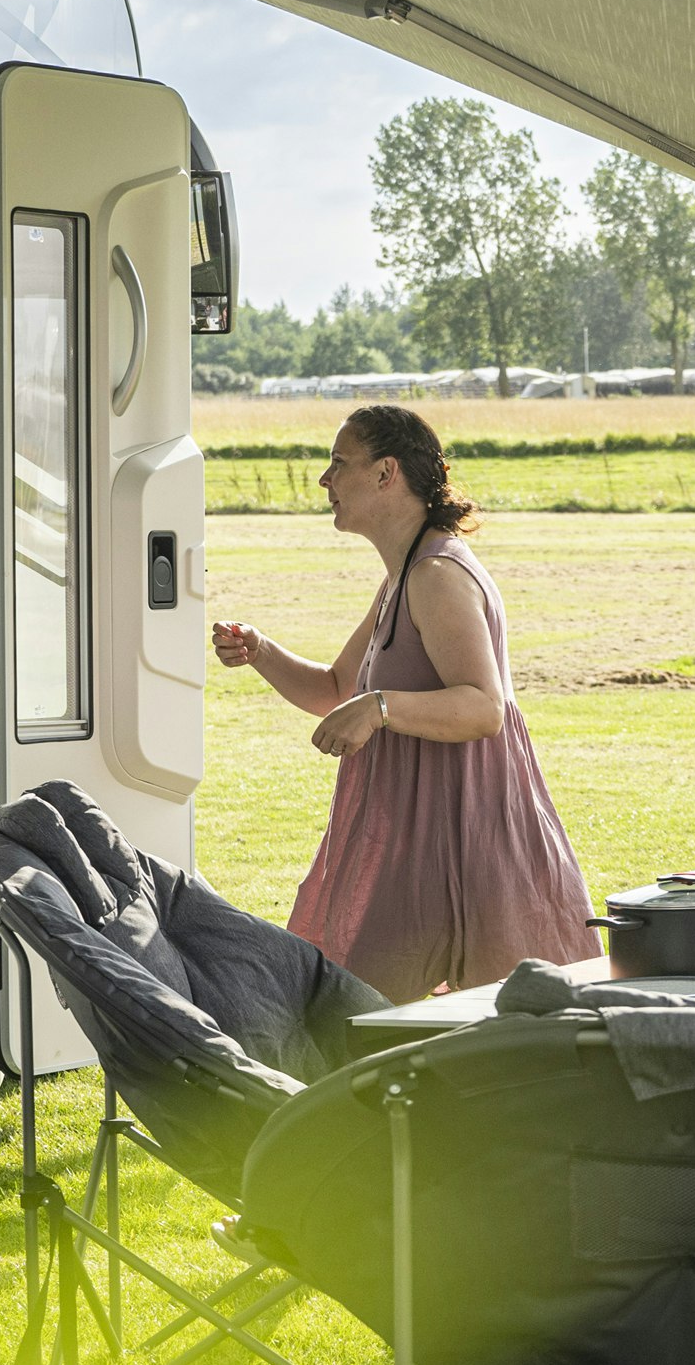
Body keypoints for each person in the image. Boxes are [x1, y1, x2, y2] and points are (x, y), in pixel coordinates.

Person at [210, 404, 597, 1003]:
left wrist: (381, 708)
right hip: (417, 841)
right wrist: (261, 652)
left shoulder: (436, 573)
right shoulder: (403, 574)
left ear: (386, 472)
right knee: (365, 1009)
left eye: (339, 463)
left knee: (398, 1015)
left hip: (468, 837)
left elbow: (483, 708)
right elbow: (335, 690)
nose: (325, 479)